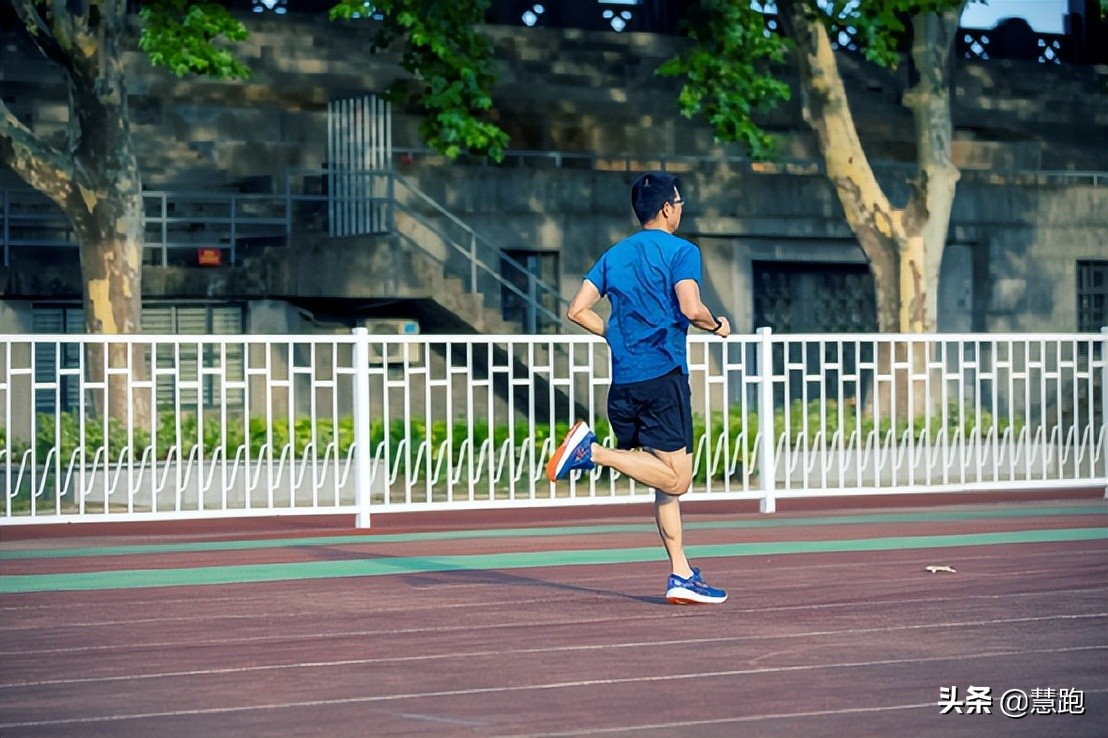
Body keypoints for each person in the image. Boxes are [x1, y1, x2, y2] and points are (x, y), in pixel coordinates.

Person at [545, 172, 731, 605]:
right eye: (680, 202)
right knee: (679, 480)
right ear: (667, 208)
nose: (681, 208)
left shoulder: (614, 255)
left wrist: (611, 333)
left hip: (624, 382)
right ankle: (591, 451)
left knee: (664, 483)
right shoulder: (682, 251)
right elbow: (690, 306)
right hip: (662, 378)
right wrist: (716, 325)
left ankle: (681, 572)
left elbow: (576, 310)